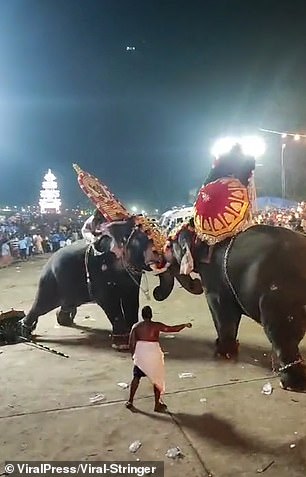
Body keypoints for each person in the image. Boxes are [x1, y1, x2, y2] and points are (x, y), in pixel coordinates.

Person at [126, 306, 192, 412]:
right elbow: (171, 329)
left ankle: (130, 401)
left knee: (136, 377)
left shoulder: (136, 327)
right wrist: (184, 325)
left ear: (142, 315)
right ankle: (157, 405)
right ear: (151, 315)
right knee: (157, 380)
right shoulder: (156, 326)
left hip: (142, 355)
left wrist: (134, 355)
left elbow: (131, 343)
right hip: (153, 354)